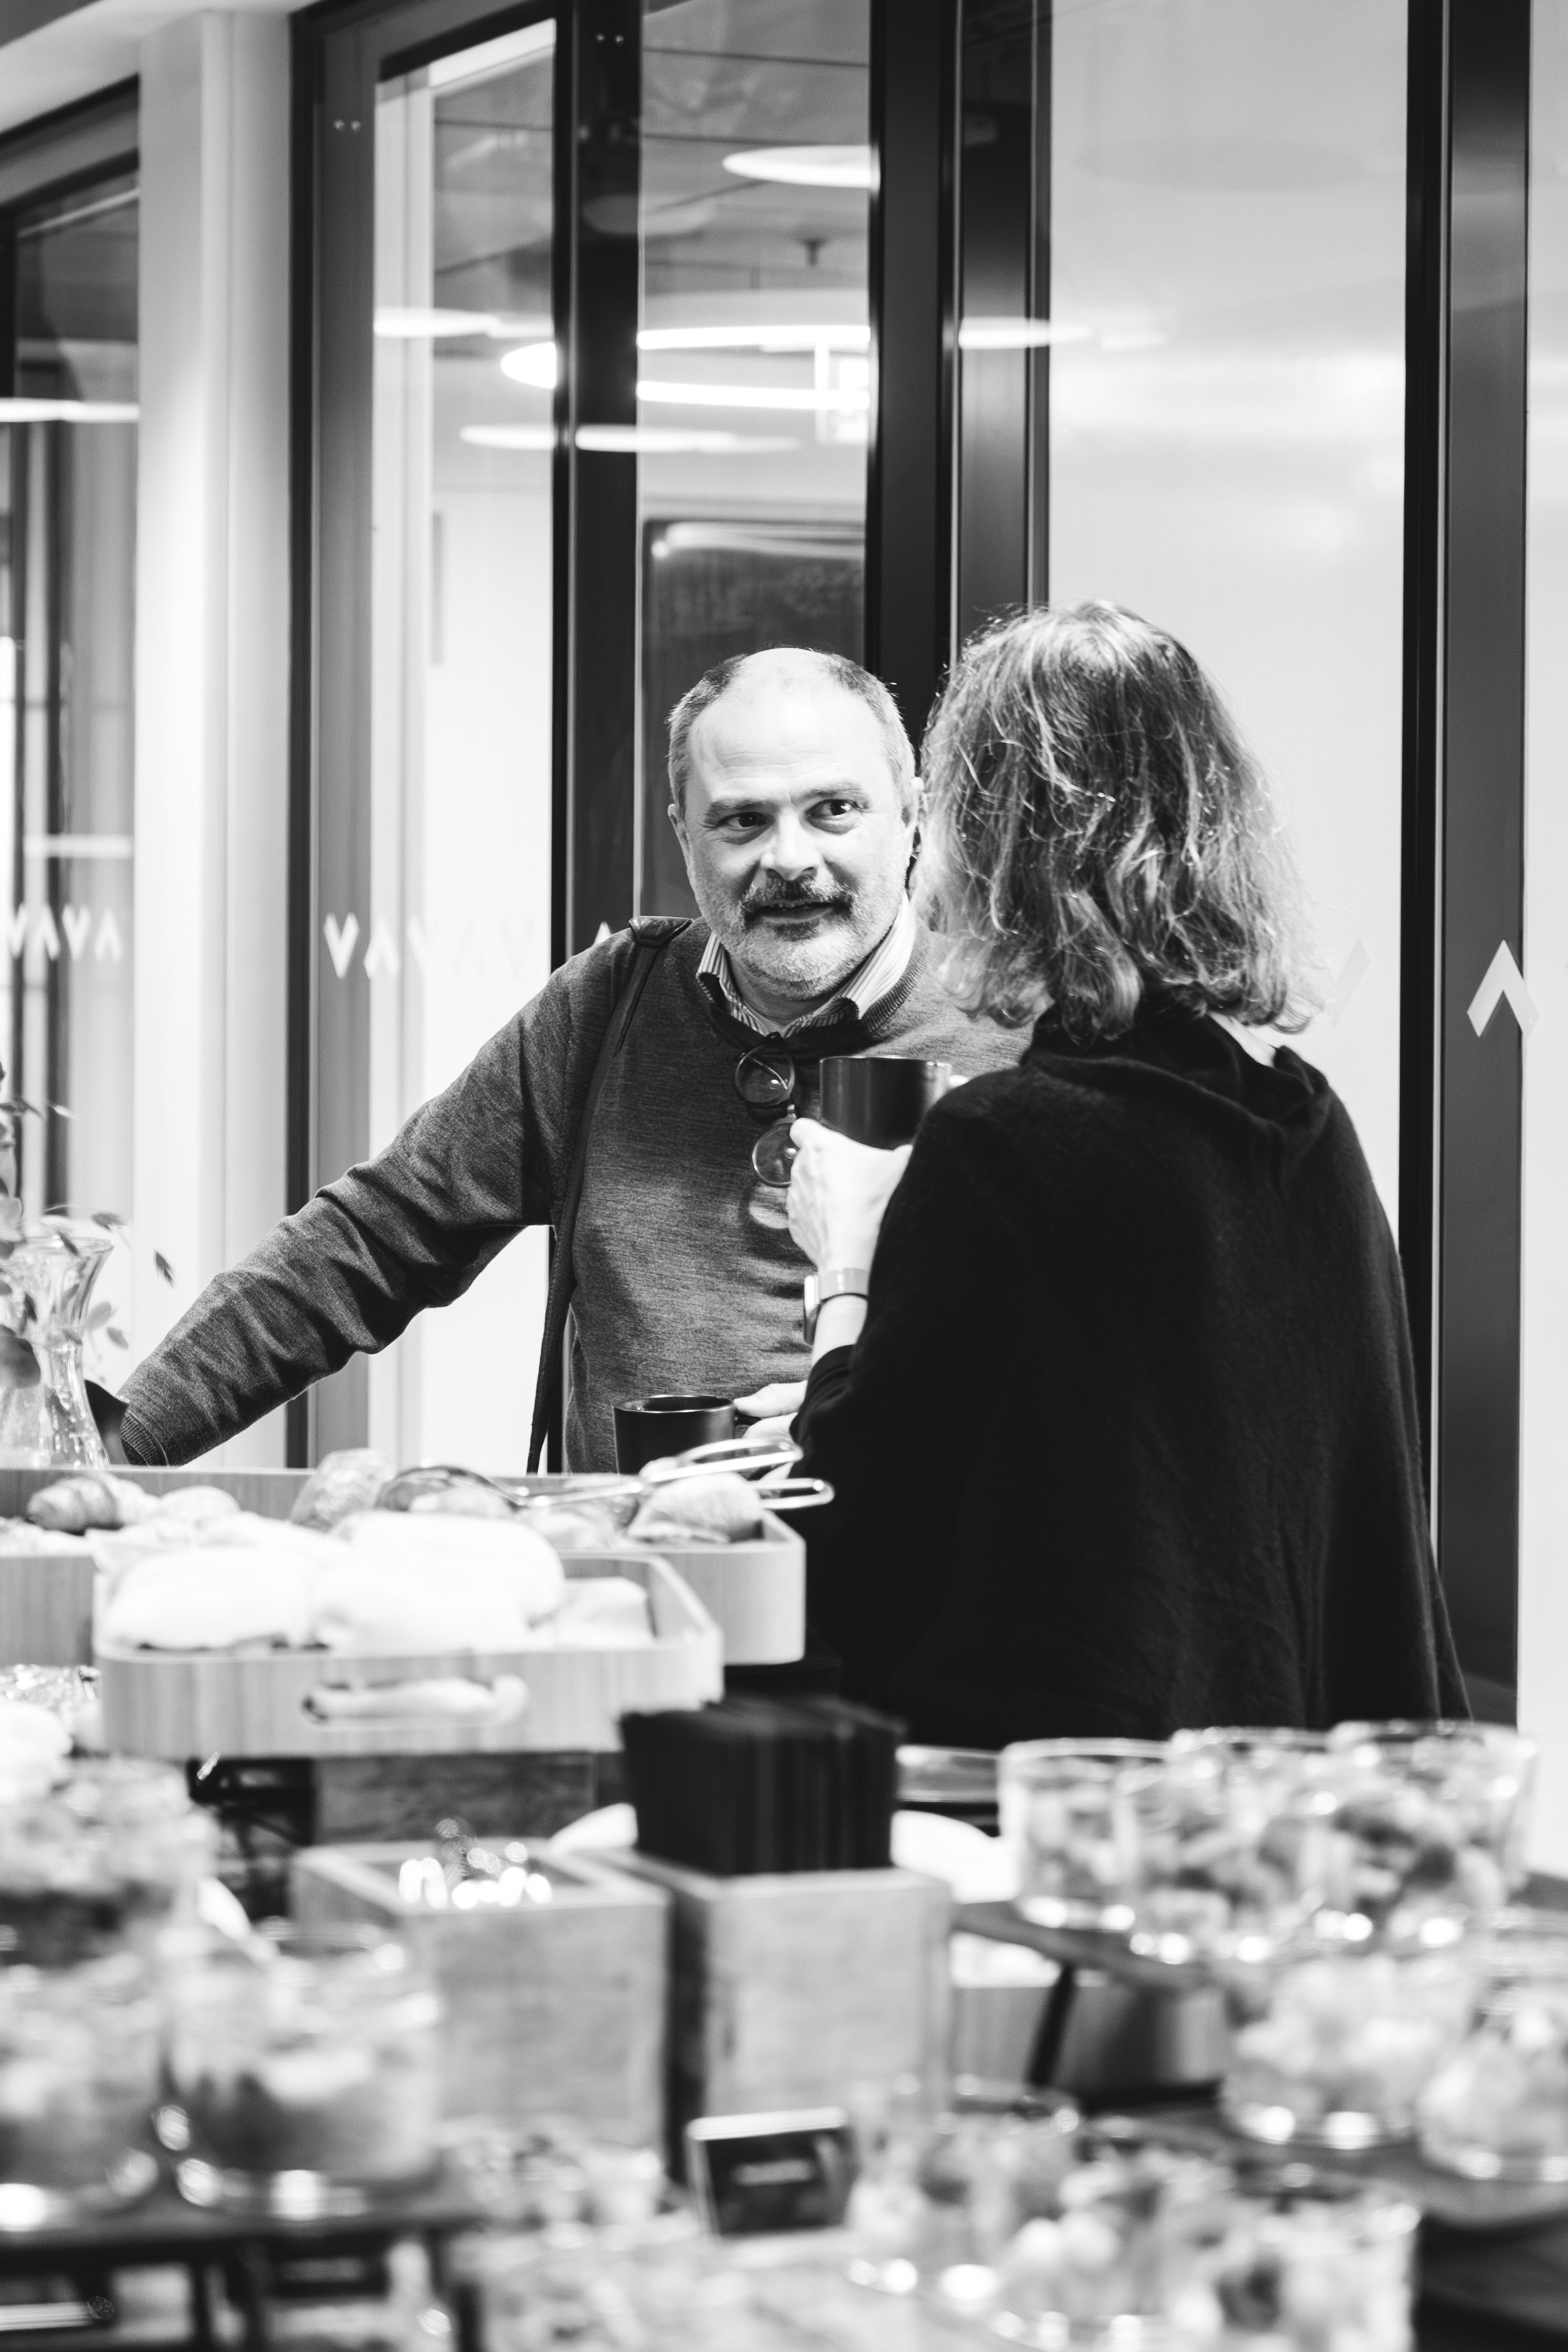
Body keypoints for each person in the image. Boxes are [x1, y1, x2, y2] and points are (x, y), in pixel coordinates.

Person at [786, 603, 1465, 1746]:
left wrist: (847, 1270)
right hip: (1281, 1796)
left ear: (989, 841)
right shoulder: (1308, 1129)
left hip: (1074, 1805)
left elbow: (848, 1555)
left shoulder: (1002, 1146)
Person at [118, 647, 1019, 1472]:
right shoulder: (608, 1005)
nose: (789, 859)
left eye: (834, 810)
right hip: (635, 1582)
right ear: (684, 835)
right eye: (742, 821)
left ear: (912, 812)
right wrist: (116, 1442)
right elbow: (368, 1241)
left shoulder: (1015, 1032)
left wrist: (876, 1410)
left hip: (909, 1586)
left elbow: (1071, 1362)